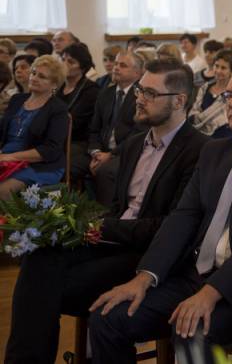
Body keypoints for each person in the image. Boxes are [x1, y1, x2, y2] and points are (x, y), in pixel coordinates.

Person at [88, 66, 232, 363]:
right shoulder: (214, 152)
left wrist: (211, 293)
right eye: (229, 95)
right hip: (193, 275)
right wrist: (144, 277)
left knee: (191, 330)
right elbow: (183, 218)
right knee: (108, 317)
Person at [5, 59, 208, 364]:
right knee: (39, 254)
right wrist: (79, 223)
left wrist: (99, 227)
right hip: (114, 241)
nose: (139, 98)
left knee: (44, 289)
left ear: (179, 101)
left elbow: (173, 226)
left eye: (150, 93)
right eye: (139, 90)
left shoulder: (199, 150)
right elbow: (118, 208)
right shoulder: (135, 144)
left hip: (151, 255)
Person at [0, 55, 69, 199]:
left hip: (39, 166)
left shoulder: (58, 109)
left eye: (42, 76)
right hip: (5, 158)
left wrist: (10, 157)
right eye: (33, 73)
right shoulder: (16, 100)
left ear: (54, 84)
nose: (34, 78)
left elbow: (51, 150)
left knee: (3, 190)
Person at [87, 51, 145, 207]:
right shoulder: (105, 93)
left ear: (137, 73)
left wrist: (111, 154)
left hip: (127, 151)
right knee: (76, 164)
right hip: (102, 150)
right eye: (116, 64)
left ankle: (107, 215)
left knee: (106, 171)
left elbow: (138, 134)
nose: (116, 67)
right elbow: (94, 129)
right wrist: (95, 152)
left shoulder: (141, 96)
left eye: (123, 65)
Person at [57, 43, 100, 180]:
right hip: (57, 138)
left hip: (78, 142)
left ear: (82, 66)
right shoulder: (57, 87)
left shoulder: (91, 90)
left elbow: (74, 123)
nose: (64, 64)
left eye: (71, 62)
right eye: (63, 59)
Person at [189, 49, 232, 138]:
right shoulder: (204, 88)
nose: (218, 71)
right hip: (197, 137)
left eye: (223, 68)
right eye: (216, 66)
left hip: (223, 138)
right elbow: (194, 111)